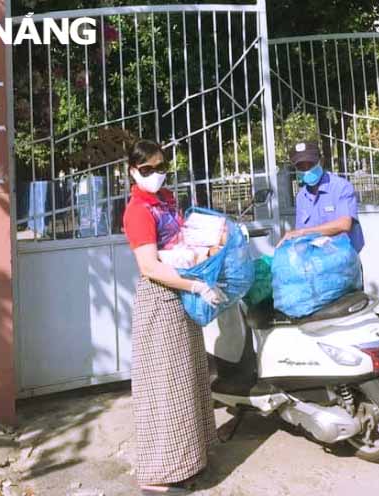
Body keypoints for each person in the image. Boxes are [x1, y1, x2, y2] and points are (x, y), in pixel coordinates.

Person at [123, 139, 223, 495]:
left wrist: (208, 250)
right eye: (146, 170)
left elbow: (178, 245)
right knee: (163, 388)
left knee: (188, 381)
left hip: (182, 293)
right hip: (161, 299)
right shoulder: (138, 210)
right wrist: (195, 288)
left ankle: (186, 461)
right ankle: (156, 476)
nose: (154, 175)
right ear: (133, 171)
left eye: (160, 167)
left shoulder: (167, 200)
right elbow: (150, 267)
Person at [279, 141, 365, 254]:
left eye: (310, 164)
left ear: (321, 161)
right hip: (316, 262)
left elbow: (345, 224)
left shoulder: (341, 187)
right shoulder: (301, 197)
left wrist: (303, 232)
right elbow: (301, 237)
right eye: (301, 167)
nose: (306, 170)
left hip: (344, 262)